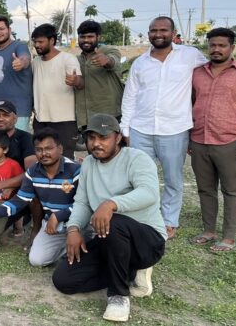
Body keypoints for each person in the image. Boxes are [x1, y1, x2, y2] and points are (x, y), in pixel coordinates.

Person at [53, 114, 166, 323]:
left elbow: (149, 193)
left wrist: (111, 204)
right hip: (109, 239)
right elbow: (82, 202)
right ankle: (130, 272)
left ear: (118, 138)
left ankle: (118, 296)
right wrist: (73, 229)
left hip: (146, 241)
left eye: (103, 137)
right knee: (64, 280)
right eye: (91, 138)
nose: (96, 143)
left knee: (113, 221)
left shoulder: (137, 158)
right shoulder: (88, 164)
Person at [120, 16, 207, 239]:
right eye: (153, 30)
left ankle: (169, 220)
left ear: (173, 33)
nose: (158, 34)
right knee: (139, 177)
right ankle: (143, 218)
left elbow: (211, 72)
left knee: (173, 179)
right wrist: (125, 129)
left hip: (175, 129)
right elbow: (130, 96)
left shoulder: (190, 55)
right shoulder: (140, 63)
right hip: (141, 128)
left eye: (163, 30)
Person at [189, 27, 236, 252]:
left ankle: (229, 237)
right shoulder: (197, 73)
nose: (216, 49)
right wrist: (189, 137)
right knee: (205, 189)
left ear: (232, 48)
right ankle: (209, 230)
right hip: (199, 139)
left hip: (229, 141)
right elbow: (190, 104)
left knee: (232, 190)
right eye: (212, 45)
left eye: (222, 45)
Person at [0, 128, 81, 266]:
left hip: (77, 222)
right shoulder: (33, 172)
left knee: (84, 254)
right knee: (36, 260)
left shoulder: (75, 170)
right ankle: (64, 247)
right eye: (39, 150)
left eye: (48, 148)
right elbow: (20, 200)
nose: (43, 153)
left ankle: (76, 245)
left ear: (60, 149)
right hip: (52, 226)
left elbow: (83, 203)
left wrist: (58, 216)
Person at [0, 100, 39, 243]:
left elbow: (32, 173)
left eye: (5, 115)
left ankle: (26, 219)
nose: (0, 118)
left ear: (15, 118)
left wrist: (6, 185)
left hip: (20, 191)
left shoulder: (25, 138)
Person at [30, 23, 82, 159]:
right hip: (40, 120)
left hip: (64, 121)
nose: (37, 45)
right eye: (35, 42)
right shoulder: (35, 62)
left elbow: (80, 83)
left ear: (52, 40)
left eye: (40, 41)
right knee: (42, 158)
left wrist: (76, 81)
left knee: (65, 158)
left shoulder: (68, 59)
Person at [74, 20, 123, 130]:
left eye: (90, 36)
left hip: (109, 115)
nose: (86, 40)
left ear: (98, 37)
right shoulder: (77, 59)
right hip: (85, 118)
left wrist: (107, 61)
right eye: (82, 37)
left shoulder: (109, 50)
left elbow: (114, 61)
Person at [0, 15, 33, 132]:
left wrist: (21, 62)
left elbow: (25, 57)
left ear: (9, 30)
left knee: (16, 143)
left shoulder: (19, 46)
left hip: (18, 112)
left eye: (1, 29)